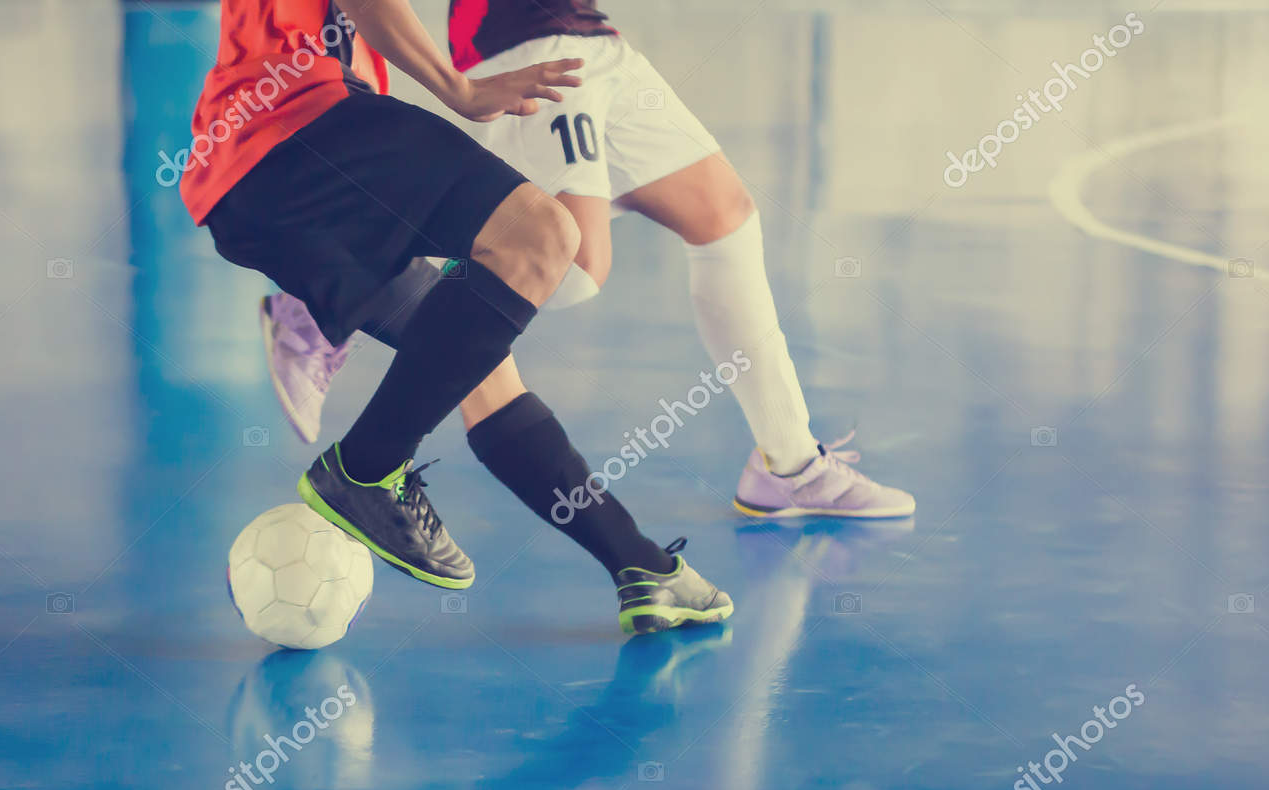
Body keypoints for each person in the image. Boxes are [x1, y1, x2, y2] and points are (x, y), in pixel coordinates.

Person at [184, 1, 731, 634]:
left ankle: (639, 566)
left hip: (250, 186)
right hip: (299, 128)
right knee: (544, 236)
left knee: (480, 370)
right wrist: (458, 88)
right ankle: (361, 468)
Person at [261, 0, 916, 521]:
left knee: (725, 216)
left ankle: (790, 464)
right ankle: (331, 292)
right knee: (568, 265)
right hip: (528, 38)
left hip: (595, 40)